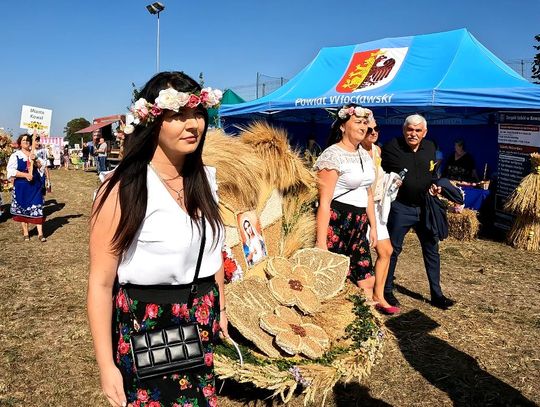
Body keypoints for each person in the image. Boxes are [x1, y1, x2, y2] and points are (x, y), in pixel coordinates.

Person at [88, 71, 226, 407]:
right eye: (178, 115)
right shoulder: (122, 188)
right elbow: (101, 284)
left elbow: (214, 252)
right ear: (153, 121)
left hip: (202, 318)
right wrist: (106, 366)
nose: (192, 125)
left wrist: (222, 307)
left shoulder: (205, 181)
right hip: (149, 323)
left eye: (197, 114)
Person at [381, 114, 455, 310]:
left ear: (424, 132)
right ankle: (386, 291)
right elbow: (380, 173)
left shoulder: (430, 147)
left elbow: (432, 174)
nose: (413, 134)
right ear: (404, 130)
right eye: (410, 129)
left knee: (432, 249)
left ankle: (437, 295)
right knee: (392, 250)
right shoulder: (391, 147)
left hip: (425, 208)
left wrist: (435, 186)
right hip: (400, 208)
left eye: (417, 130)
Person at [314, 104, 377, 295]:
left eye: (365, 123)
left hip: (359, 223)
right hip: (337, 221)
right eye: (357, 122)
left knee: (367, 279)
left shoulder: (365, 155)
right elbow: (324, 202)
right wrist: (320, 242)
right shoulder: (332, 156)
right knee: (333, 279)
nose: (363, 127)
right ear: (342, 126)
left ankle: (368, 320)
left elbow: (368, 193)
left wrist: (373, 226)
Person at [360, 113, 399, 314]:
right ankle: (363, 300)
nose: (373, 133)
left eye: (376, 129)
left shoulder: (376, 150)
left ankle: (379, 295)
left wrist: (392, 181)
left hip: (375, 206)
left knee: (386, 251)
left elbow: (379, 178)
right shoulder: (355, 152)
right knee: (363, 254)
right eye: (368, 130)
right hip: (360, 207)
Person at [7, 134, 47, 241]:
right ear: (20, 143)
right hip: (22, 186)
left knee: (37, 206)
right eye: (24, 140)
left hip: (35, 185)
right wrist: (25, 175)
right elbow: (11, 171)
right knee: (23, 208)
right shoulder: (15, 155)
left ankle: (40, 233)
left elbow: (42, 167)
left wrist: (36, 159)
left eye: (28, 140)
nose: (26, 141)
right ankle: (26, 232)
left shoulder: (34, 154)